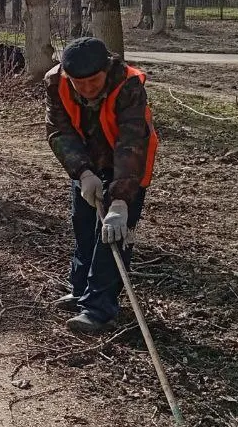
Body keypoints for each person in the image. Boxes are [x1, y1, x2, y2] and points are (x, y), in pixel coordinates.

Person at [45, 37, 160, 335]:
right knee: (83, 224)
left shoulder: (129, 85)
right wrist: (82, 172)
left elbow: (132, 144)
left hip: (128, 166)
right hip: (87, 163)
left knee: (111, 234)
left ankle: (99, 309)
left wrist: (120, 201)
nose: (86, 89)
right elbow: (59, 130)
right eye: (78, 83)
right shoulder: (56, 82)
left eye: (93, 81)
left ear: (106, 70)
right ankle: (81, 290)